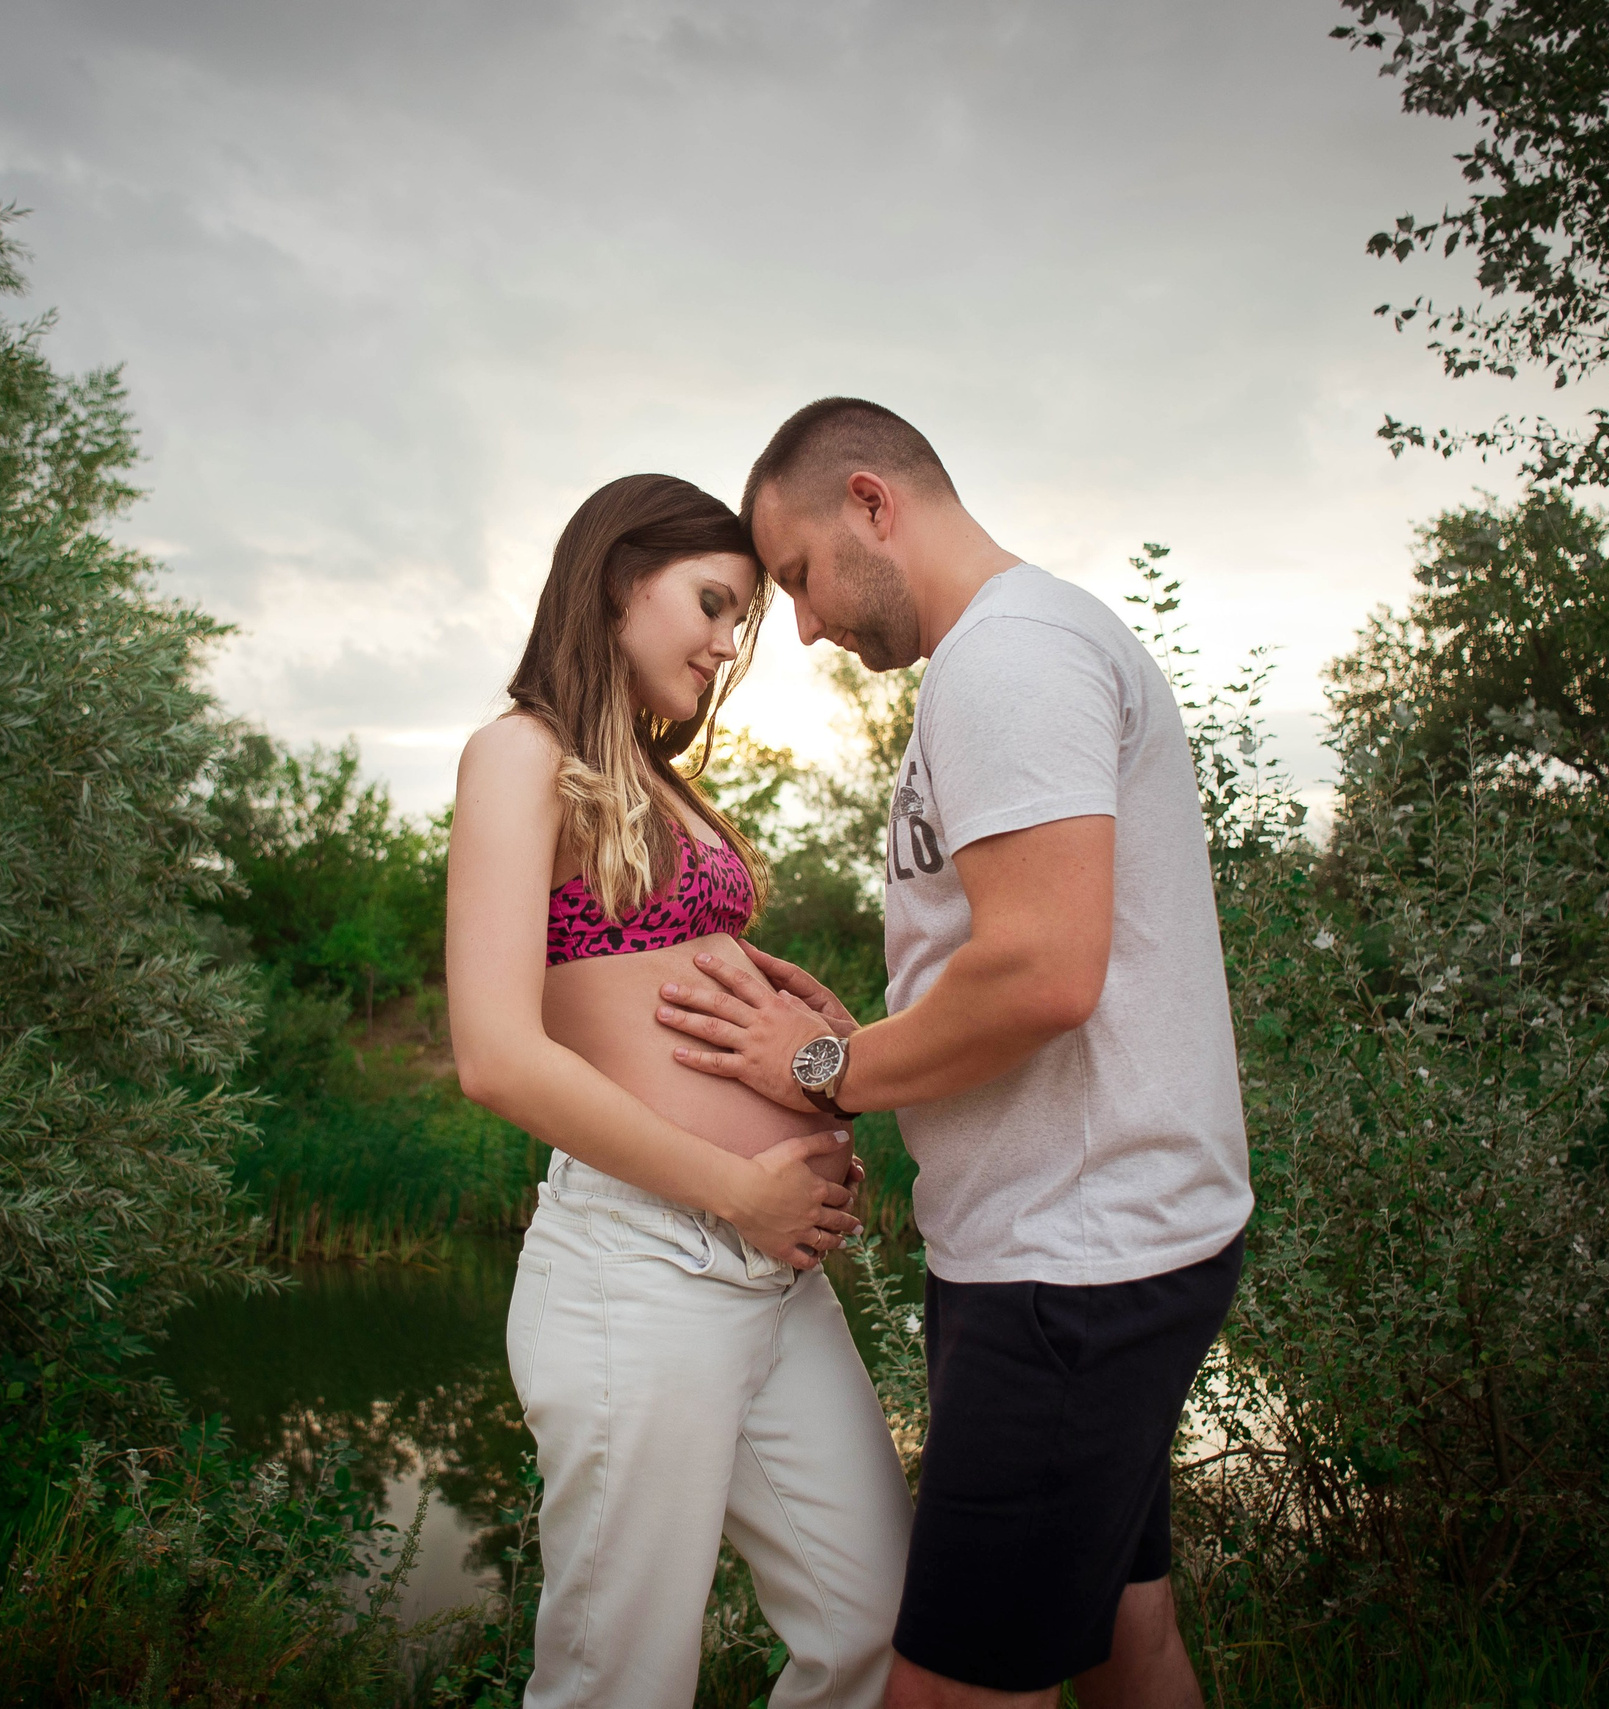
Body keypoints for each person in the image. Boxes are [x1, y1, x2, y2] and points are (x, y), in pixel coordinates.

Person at [652, 400, 1252, 1709]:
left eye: (801, 576)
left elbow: (1043, 969)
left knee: (946, 1692)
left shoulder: (1009, 658)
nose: (802, 624)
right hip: (1100, 1243)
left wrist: (829, 1072)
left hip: (1070, 1270)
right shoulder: (1017, 652)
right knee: (1118, 1638)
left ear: (873, 501)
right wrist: (865, 1036)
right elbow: (1015, 962)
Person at [446, 472, 915, 1709]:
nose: (726, 643)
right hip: (641, 1263)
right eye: (712, 603)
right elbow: (496, 1052)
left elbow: (664, 982)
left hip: (770, 1273)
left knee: (871, 1615)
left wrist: (811, 1034)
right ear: (614, 579)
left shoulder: (658, 781)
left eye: (741, 620)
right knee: (620, 1680)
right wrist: (738, 1185)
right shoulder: (519, 754)